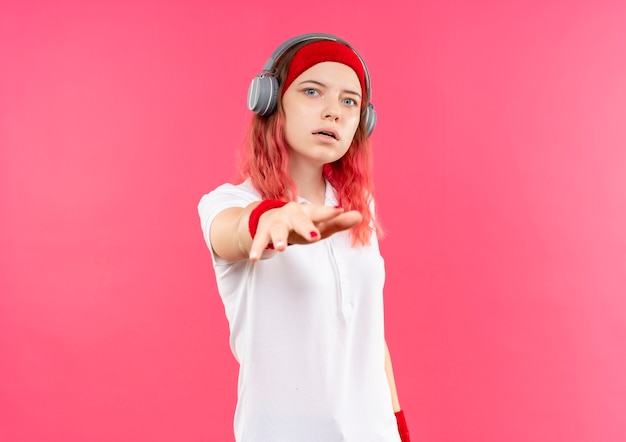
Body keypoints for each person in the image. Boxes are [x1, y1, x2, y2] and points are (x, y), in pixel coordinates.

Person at [198, 33, 410, 442]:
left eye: (349, 101)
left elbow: (369, 332)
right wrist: (268, 219)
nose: (333, 111)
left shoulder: (356, 208)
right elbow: (233, 231)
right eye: (313, 91)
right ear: (272, 103)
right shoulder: (227, 202)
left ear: (361, 122)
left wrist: (399, 426)